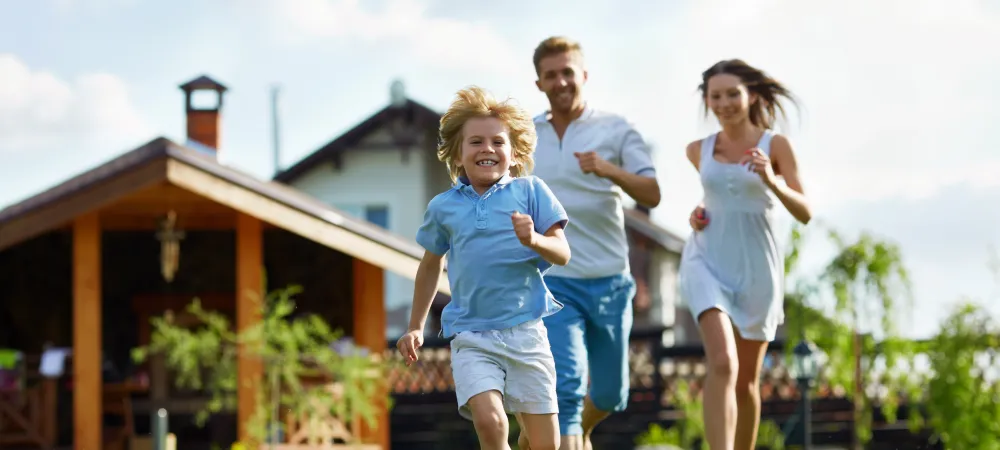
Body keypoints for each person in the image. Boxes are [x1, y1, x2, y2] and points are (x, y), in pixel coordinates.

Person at [396, 86, 570, 450]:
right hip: (472, 335)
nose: (487, 149)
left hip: (526, 331)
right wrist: (414, 326)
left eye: (497, 142)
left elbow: (562, 252)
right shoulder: (444, 207)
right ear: (457, 154)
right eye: (475, 142)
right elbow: (430, 266)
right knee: (490, 424)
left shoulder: (531, 191)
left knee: (547, 445)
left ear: (515, 151)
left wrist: (534, 240)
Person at [528, 36, 662, 450]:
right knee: (565, 385)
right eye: (551, 75)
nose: (561, 81)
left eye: (568, 72)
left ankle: (577, 431)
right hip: (555, 279)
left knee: (610, 395)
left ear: (584, 75)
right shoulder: (526, 136)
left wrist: (607, 169)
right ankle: (562, 435)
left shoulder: (616, 129)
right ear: (539, 83)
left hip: (609, 281)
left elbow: (652, 193)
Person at [679, 59, 811, 450]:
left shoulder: (776, 146)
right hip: (706, 261)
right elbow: (717, 196)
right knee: (722, 362)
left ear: (750, 95)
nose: (724, 103)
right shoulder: (696, 150)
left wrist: (771, 179)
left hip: (757, 269)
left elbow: (804, 211)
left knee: (746, 382)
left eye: (732, 94)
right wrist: (698, 213)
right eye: (715, 96)